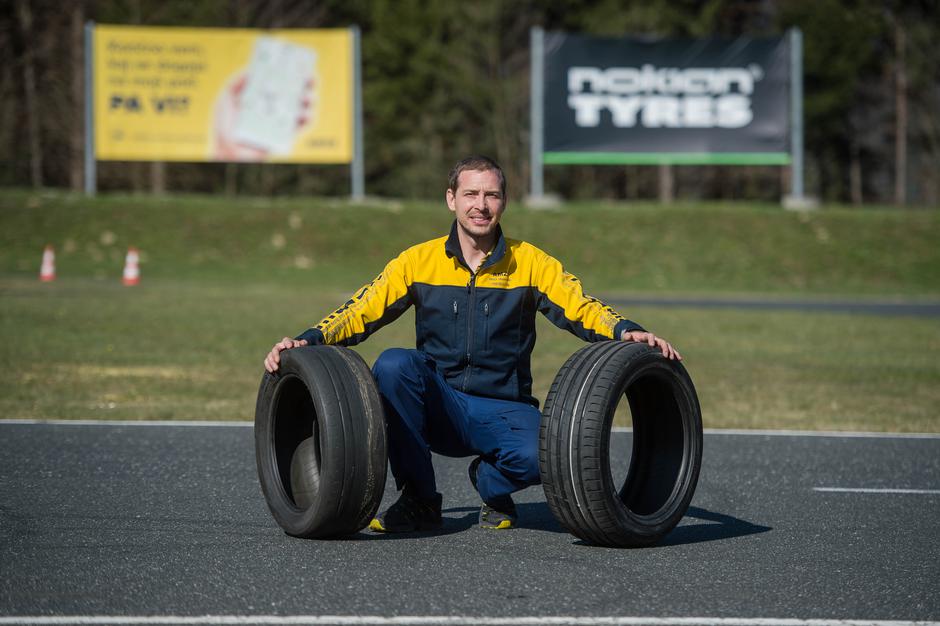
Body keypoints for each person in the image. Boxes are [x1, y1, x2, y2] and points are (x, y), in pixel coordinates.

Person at [264, 155, 681, 533]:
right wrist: (305, 341)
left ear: (503, 202)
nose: (480, 204)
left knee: (549, 458)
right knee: (393, 366)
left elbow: (581, 306)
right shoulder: (417, 260)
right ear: (451, 199)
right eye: (471, 194)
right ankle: (420, 500)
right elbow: (360, 309)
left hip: (504, 407)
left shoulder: (531, 262)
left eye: (491, 195)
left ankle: (489, 481)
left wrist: (626, 330)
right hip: (438, 403)